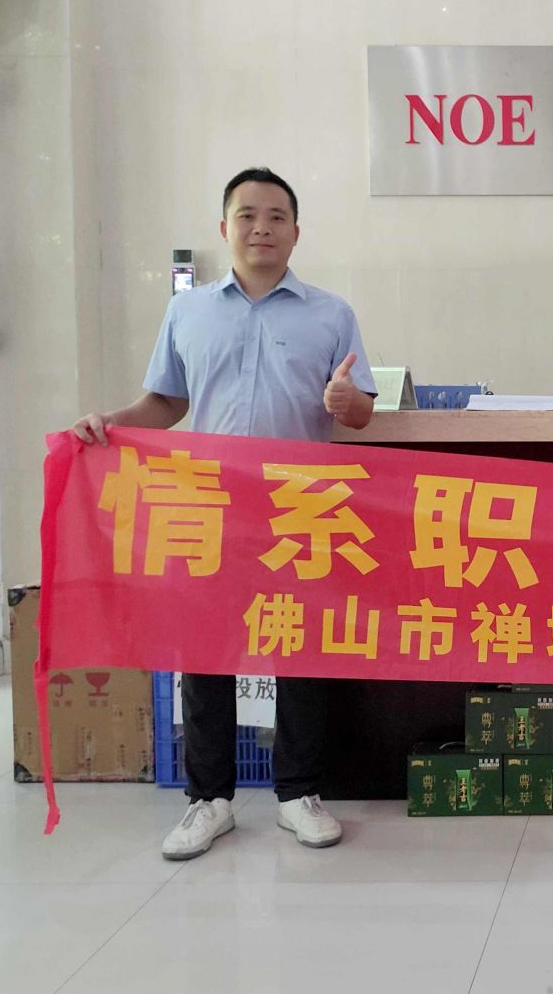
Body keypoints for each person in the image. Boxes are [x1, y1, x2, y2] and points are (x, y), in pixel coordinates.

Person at [71, 167, 378, 860]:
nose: (261, 227)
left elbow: (360, 413)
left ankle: (298, 793)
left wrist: (346, 403)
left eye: (276, 217)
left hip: (297, 507)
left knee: (301, 648)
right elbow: (166, 402)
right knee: (205, 649)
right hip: (208, 505)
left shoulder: (331, 314)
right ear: (225, 228)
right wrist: (109, 424)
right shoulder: (189, 312)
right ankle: (209, 799)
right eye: (247, 215)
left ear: (295, 232)